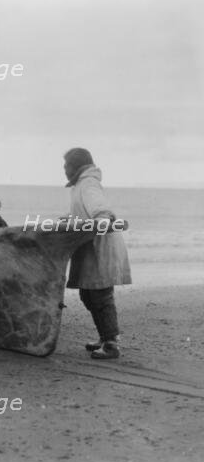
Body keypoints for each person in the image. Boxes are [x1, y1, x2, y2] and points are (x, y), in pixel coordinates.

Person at [64, 148, 132, 359]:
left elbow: (100, 210)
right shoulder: (81, 185)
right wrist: (67, 219)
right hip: (90, 249)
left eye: (66, 165)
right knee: (88, 293)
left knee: (100, 295)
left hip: (100, 246)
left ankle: (111, 343)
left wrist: (102, 218)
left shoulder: (88, 183)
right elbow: (82, 211)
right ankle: (105, 337)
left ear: (76, 166)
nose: (64, 170)